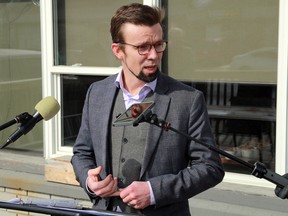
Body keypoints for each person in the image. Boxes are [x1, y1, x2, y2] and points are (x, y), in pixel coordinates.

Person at [71, 3, 224, 215]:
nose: (153, 55)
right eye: (143, 47)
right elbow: (81, 153)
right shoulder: (96, 93)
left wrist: (154, 191)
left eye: (158, 44)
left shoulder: (187, 100)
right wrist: (90, 181)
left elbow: (210, 168)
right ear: (118, 50)